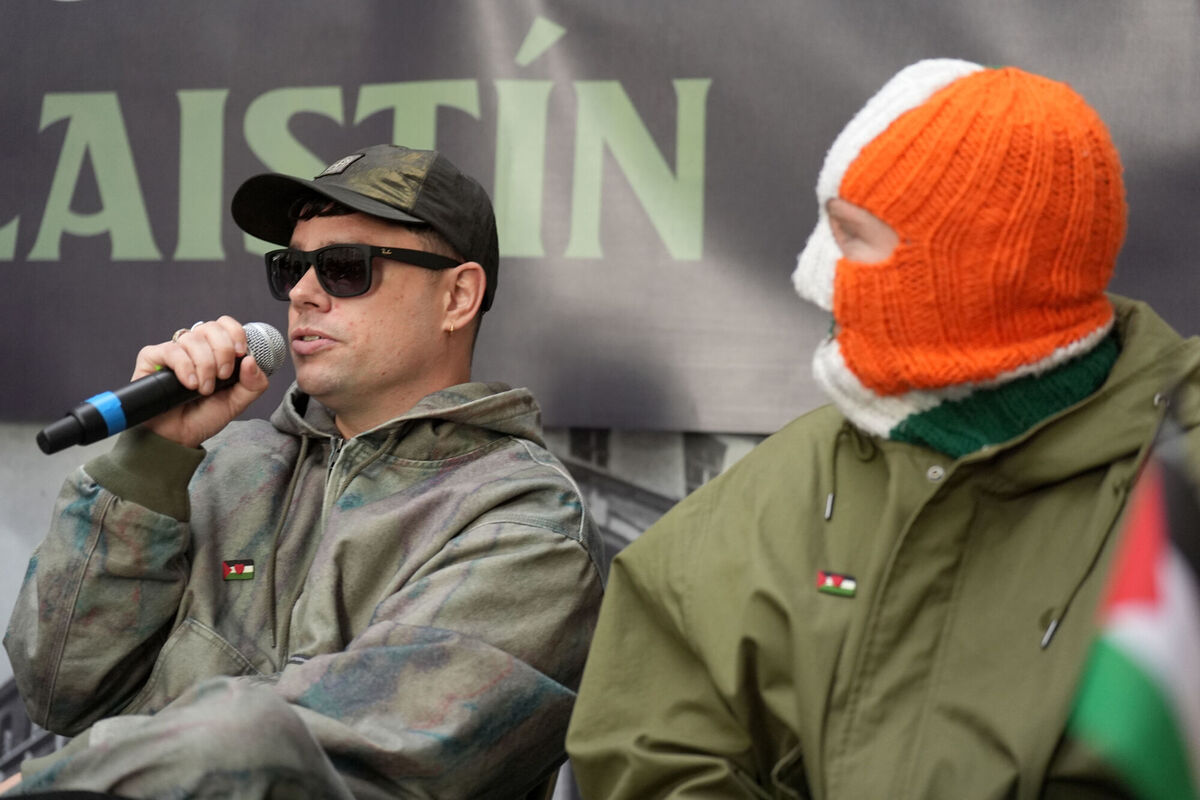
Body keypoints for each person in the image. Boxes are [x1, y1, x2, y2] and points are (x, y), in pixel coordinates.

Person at [565, 60, 1200, 798]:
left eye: (855, 239)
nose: (818, 275)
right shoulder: (788, 484)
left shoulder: (1179, 483)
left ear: (978, 268)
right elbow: (650, 743)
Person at [3, 144, 604, 799]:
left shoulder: (528, 527)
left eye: (346, 268)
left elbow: (286, 754)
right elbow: (56, 685)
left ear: (457, 296)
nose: (303, 292)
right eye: (291, 266)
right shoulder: (227, 466)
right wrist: (150, 459)